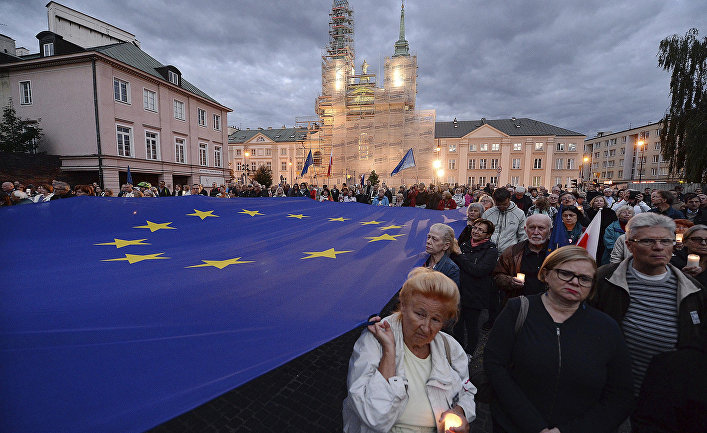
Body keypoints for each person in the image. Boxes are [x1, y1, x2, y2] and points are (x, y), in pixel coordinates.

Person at [485, 246, 635, 433]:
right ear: (546, 274)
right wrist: (534, 426)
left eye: (584, 278)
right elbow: (495, 368)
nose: (574, 282)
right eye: (566, 273)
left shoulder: (606, 327)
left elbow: (620, 393)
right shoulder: (517, 311)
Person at [342, 267, 477, 433]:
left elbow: (467, 391)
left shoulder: (451, 348)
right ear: (403, 305)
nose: (426, 328)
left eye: (436, 319)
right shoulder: (373, 343)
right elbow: (374, 416)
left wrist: (460, 412)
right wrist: (389, 351)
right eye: (420, 314)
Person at [590, 213, 706, 395]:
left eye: (666, 241)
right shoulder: (604, 279)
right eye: (647, 241)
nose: (658, 247)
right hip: (612, 392)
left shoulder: (693, 290)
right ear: (629, 245)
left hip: (668, 395)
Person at [452, 218, 497, 355]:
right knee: (457, 325)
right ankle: (457, 350)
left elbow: (478, 271)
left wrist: (460, 256)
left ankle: (470, 352)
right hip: (460, 292)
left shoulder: (491, 250)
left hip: (476, 294)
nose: (476, 231)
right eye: (475, 228)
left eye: (480, 230)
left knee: (472, 326)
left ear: (488, 235)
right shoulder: (465, 245)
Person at [493, 214, 552, 298]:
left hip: (550, 305)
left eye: (541, 228)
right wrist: (510, 281)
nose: (535, 232)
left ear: (550, 231)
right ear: (525, 229)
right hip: (521, 303)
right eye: (532, 228)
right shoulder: (512, 252)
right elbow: (497, 276)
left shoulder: (556, 252)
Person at [482, 188, 527, 255]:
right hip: (488, 252)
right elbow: (482, 232)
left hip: (510, 253)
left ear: (509, 199)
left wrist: (518, 251)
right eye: (499, 205)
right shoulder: (488, 213)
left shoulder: (519, 214)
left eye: (505, 204)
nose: (502, 207)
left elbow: (523, 235)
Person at [424, 223, 460, 289]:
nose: (428, 241)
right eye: (428, 237)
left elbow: (450, 296)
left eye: (434, 239)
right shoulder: (421, 260)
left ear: (446, 246)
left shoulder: (451, 269)